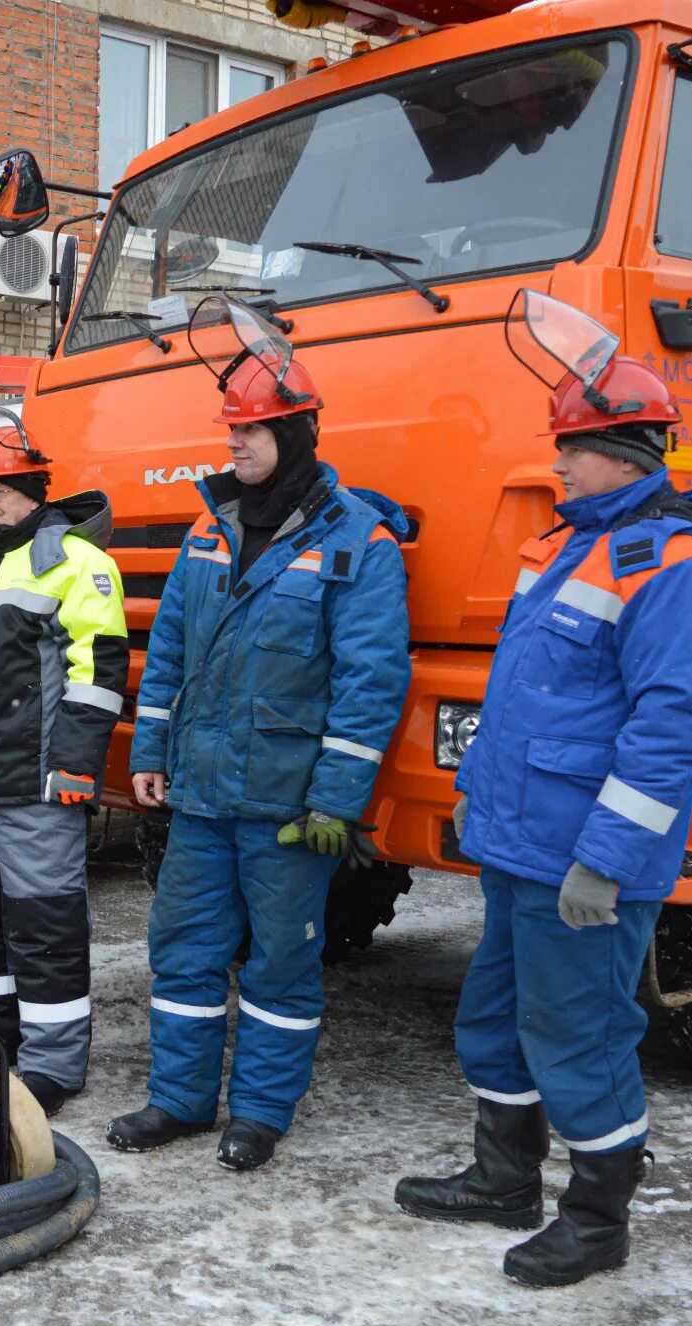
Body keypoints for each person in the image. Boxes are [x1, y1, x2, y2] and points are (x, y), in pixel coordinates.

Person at [395, 296, 692, 1287]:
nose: (555, 463)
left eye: (568, 448)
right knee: (496, 1019)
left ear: (622, 451)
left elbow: (671, 730)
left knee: (578, 1034)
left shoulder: (671, 566)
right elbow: (522, 703)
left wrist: (605, 857)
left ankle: (595, 1218)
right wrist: (473, 797)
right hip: (520, 849)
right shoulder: (567, 548)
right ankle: (502, 1178)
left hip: (580, 862)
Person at [105, 326, 412, 1172]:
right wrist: (151, 748)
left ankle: (263, 1113)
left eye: (250, 430)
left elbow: (370, 680)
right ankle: (180, 1100)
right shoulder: (211, 531)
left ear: (297, 434)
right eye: (230, 429)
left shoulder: (358, 543)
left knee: (280, 967)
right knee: (185, 952)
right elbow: (169, 650)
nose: (233, 442)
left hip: (286, 806)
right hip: (201, 795)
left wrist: (336, 802)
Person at [0, 404, 127, 1116]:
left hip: (35, 783)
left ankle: (54, 1067)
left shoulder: (77, 561)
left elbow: (96, 674)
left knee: (44, 929)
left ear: (36, 490)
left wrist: (74, 767)